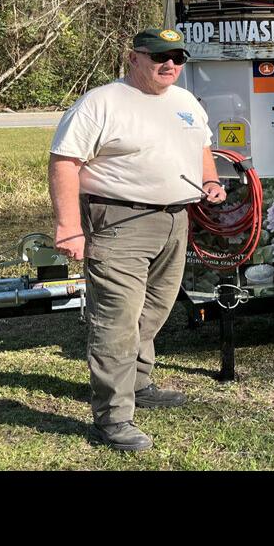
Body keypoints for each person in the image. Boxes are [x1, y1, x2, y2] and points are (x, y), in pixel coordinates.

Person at [48, 27, 227, 451]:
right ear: (134, 58)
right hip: (119, 220)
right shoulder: (102, 101)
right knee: (117, 319)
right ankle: (112, 418)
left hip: (175, 220)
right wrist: (68, 227)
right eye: (160, 56)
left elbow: (202, 147)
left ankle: (139, 383)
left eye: (178, 57)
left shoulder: (185, 102)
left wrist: (211, 180)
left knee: (157, 308)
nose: (170, 65)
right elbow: (64, 162)